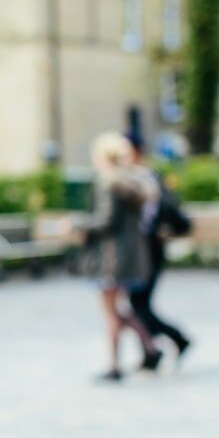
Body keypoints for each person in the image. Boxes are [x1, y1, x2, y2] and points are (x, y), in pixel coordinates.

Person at [79, 132, 163, 383]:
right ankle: (149, 348)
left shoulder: (108, 183)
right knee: (119, 309)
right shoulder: (133, 181)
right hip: (131, 255)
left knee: (111, 311)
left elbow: (105, 221)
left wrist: (78, 227)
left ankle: (115, 364)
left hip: (111, 256)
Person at [125, 133, 192, 368]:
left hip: (146, 247)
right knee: (138, 303)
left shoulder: (142, 178)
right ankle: (151, 351)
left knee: (138, 303)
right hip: (145, 247)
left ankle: (172, 341)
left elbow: (166, 211)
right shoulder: (148, 176)